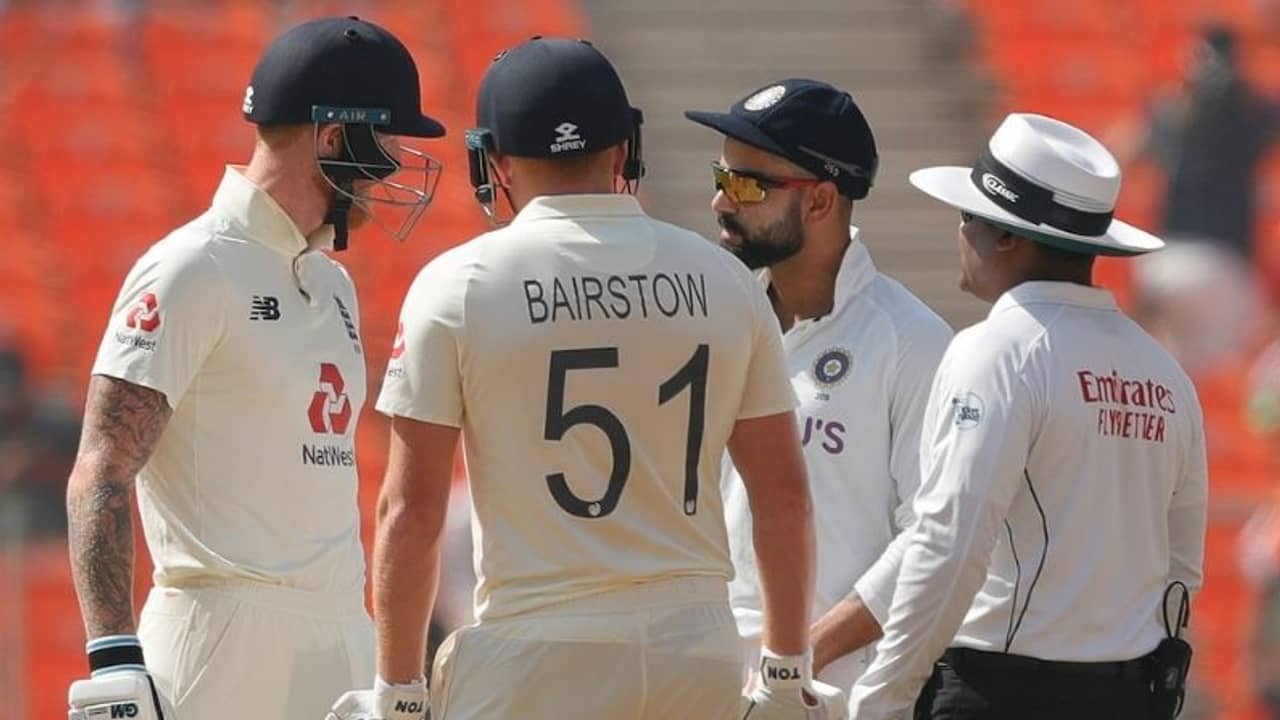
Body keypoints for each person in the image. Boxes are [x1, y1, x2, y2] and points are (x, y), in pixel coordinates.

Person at [327, 37, 842, 720]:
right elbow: (784, 498)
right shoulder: (726, 281)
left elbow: (409, 511)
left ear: (494, 161)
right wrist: (784, 671)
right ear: (626, 149)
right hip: (698, 646)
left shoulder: (459, 285)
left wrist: (398, 693)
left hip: (538, 647)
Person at [64, 16, 445, 720]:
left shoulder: (333, 283)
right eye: (387, 141)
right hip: (217, 636)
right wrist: (112, 656)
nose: (394, 165)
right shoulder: (191, 266)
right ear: (333, 138)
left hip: (339, 629)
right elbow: (102, 465)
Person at [846, 113, 1208, 719]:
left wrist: (883, 695)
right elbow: (1180, 570)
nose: (960, 232)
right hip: (1128, 695)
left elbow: (952, 542)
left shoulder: (999, 351)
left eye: (969, 217)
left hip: (1002, 690)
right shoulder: (1165, 373)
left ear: (1008, 237)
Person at [683, 79, 952, 693]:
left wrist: (802, 656)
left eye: (747, 185)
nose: (721, 201)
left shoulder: (912, 342)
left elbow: (931, 539)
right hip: (710, 682)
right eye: (721, 177)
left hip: (834, 692)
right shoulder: (713, 322)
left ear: (822, 201)